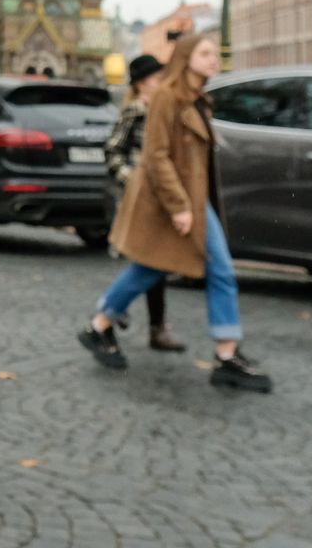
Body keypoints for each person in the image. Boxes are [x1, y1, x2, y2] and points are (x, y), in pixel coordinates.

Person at [79, 32, 272, 392]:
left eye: (215, 53)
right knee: (194, 269)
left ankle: (102, 325)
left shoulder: (198, 99)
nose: (214, 59)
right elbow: (156, 156)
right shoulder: (167, 97)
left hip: (194, 201)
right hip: (175, 203)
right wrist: (180, 206)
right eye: (205, 53)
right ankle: (225, 355)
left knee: (170, 268)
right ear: (186, 59)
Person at [102, 53, 183, 353]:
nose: (163, 84)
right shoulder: (135, 111)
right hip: (140, 199)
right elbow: (112, 151)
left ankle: (137, 319)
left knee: (153, 262)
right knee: (151, 262)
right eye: (157, 79)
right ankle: (114, 310)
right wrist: (132, 180)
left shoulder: (162, 110)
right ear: (141, 85)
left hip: (159, 196)